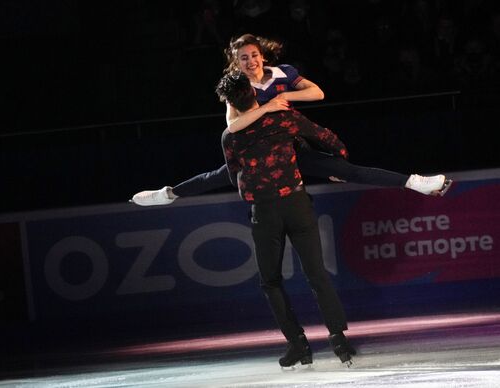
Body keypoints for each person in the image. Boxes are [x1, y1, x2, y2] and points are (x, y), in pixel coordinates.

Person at [131, 34, 452, 206]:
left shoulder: (282, 74)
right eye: (243, 57)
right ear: (236, 61)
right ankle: (168, 194)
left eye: (254, 55)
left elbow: (317, 94)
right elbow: (232, 125)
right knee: (214, 177)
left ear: (262, 55)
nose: (250, 60)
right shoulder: (235, 85)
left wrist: (284, 100)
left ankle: (415, 183)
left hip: (289, 140)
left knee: (344, 169)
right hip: (254, 150)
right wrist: (265, 109)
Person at [218, 70, 355, 367]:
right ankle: (339, 340)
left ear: (230, 104)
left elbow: (233, 175)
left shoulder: (230, 136)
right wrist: (339, 163)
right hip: (296, 203)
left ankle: (298, 344)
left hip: (264, 211)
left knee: (270, 281)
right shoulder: (283, 117)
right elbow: (326, 137)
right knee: (316, 273)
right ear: (254, 93)